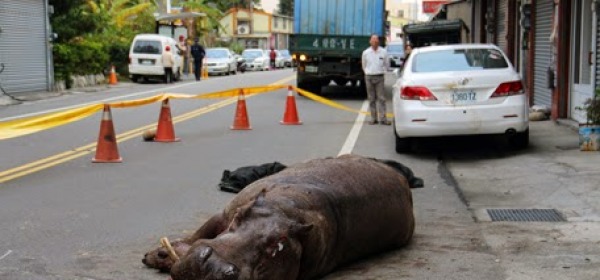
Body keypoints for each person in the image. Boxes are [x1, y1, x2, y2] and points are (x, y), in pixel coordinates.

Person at [361, 34, 390, 125]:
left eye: (376, 40)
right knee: (371, 99)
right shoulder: (366, 53)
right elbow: (364, 65)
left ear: (378, 42)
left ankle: (383, 118)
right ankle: (373, 118)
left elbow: (387, 64)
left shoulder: (383, 52)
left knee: (381, 98)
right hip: (369, 77)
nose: (375, 42)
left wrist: (383, 71)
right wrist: (367, 72)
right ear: (370, 42)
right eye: (373, 41)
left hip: (379, 77)